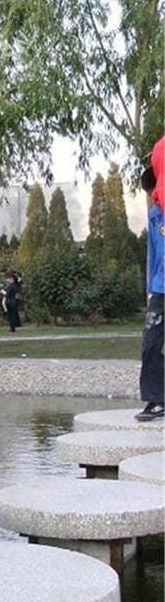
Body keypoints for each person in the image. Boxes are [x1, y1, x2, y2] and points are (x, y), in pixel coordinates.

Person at [135, 137, 164, 421]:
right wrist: (150, 291)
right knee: (151, 343)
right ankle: (157, 398)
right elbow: (153, 255)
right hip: (160, 289)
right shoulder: (156, 216)